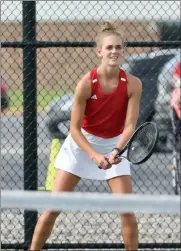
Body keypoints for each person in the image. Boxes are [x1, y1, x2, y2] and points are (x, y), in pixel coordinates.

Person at [29, 20, 142, 251]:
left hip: (115, 147)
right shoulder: (86, 83)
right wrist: (93, 156)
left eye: (118, 47)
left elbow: (130, 125)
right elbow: (74, 129)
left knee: (127, 212)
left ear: (124, 51)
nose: (114, 51)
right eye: (109, 47)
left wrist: (115, 151)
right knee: (53, 208)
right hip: (81, 147)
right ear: (99, 52)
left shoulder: (133, 84)